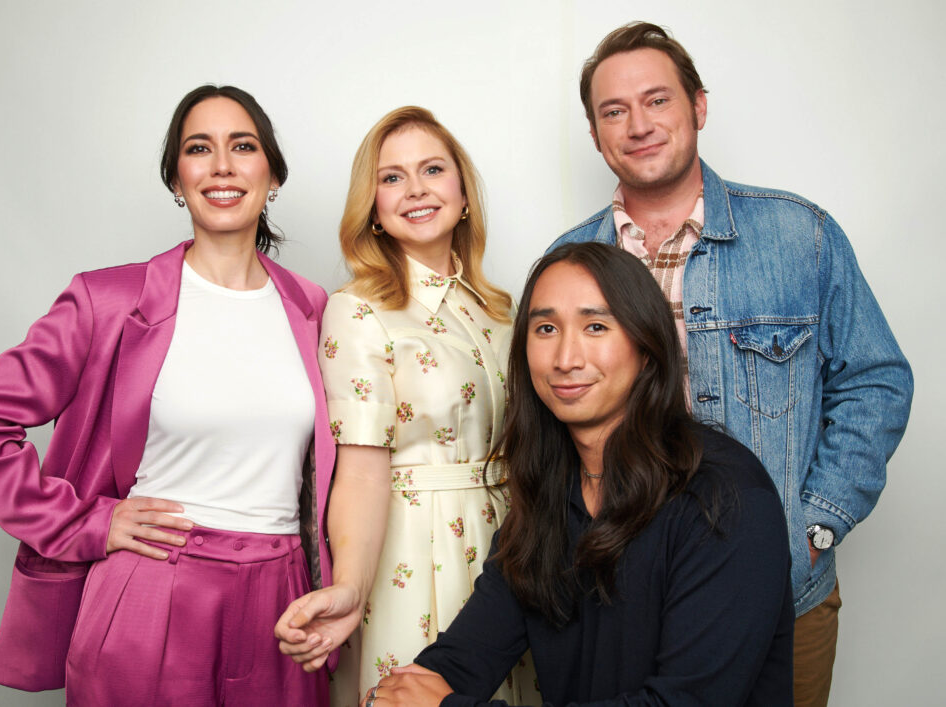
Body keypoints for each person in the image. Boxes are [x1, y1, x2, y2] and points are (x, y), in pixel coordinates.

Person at [546, 22, 914, 706]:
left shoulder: (800, 236)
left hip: (785, 594)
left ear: (698, 107)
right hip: (624, 597)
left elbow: (875, 378)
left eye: (657, 100)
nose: (637, 125)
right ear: (595, 135)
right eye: (614, 111)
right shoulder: (566, 264)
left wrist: (815, 524)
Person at [0, 85, 333, 705]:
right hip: (154, 589)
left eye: (243, 146)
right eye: (199, 148)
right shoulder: (108, 301)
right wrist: (86, 522)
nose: (222, 165)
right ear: (177, 179)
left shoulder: (314, 310)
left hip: (282, 601)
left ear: (272, 174)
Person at [361, 242, 794, 706]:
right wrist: (395, 696)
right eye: (546, 328)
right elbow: (470, 652)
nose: (566, 358)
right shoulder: (551, 491)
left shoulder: (725, 496)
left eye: (595, 327)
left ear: (646, 347)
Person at [275, 106, 538, 705]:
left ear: (463, 192)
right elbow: (361, 471)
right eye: (391, 177)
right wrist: (351, 586)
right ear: (372, 206)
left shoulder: (500, 309)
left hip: (513, 543)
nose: (415, 190)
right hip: (413, 548)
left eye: (432, 169)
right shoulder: (358, 309)